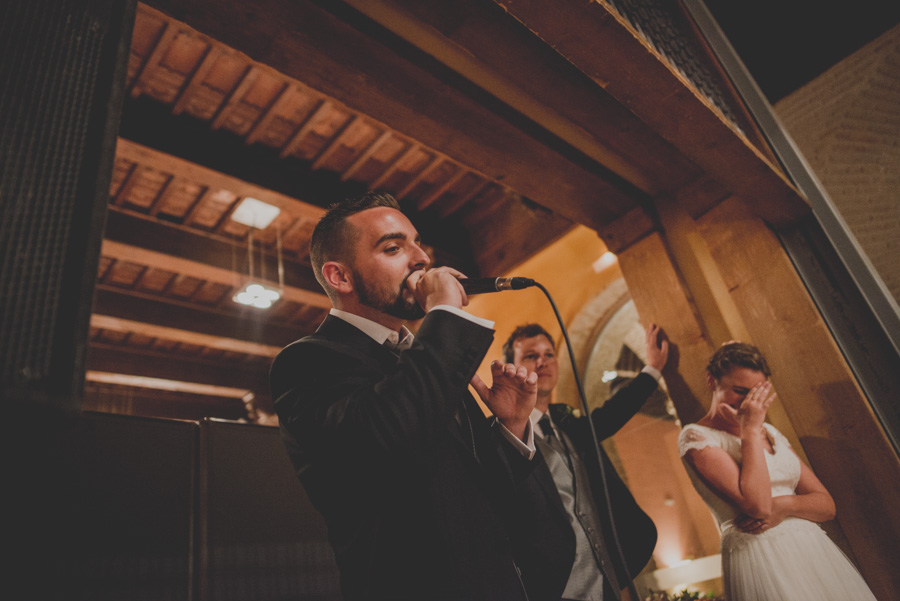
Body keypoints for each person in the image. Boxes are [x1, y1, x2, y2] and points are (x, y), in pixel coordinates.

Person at [270, 193, 574, 601]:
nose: (420, 258)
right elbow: (387, 436)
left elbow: (480, 493)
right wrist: (445, 316)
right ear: (340, 277)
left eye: (417, 243)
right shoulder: (307, 361)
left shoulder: (428, 358)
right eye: (394, 248)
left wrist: (512, 427)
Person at [677, 342, 877, 601]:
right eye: (739, 391)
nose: (749, 402)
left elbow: (826, 506)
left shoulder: (771, 433)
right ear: (711, 381)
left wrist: (785, 505)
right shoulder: (696, 436)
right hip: (760, 557)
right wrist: (748, 430)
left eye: (756, 393)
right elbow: (757, 506)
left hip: (813, 552)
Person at [503, 323, 668, 601]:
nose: (542, 361)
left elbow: (614, 412)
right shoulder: (500, 435)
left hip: (608, 584)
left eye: (549, 354)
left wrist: (653, 369)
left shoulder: (569, 425)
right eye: (530, 356)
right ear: (512, 367)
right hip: (551, 590)